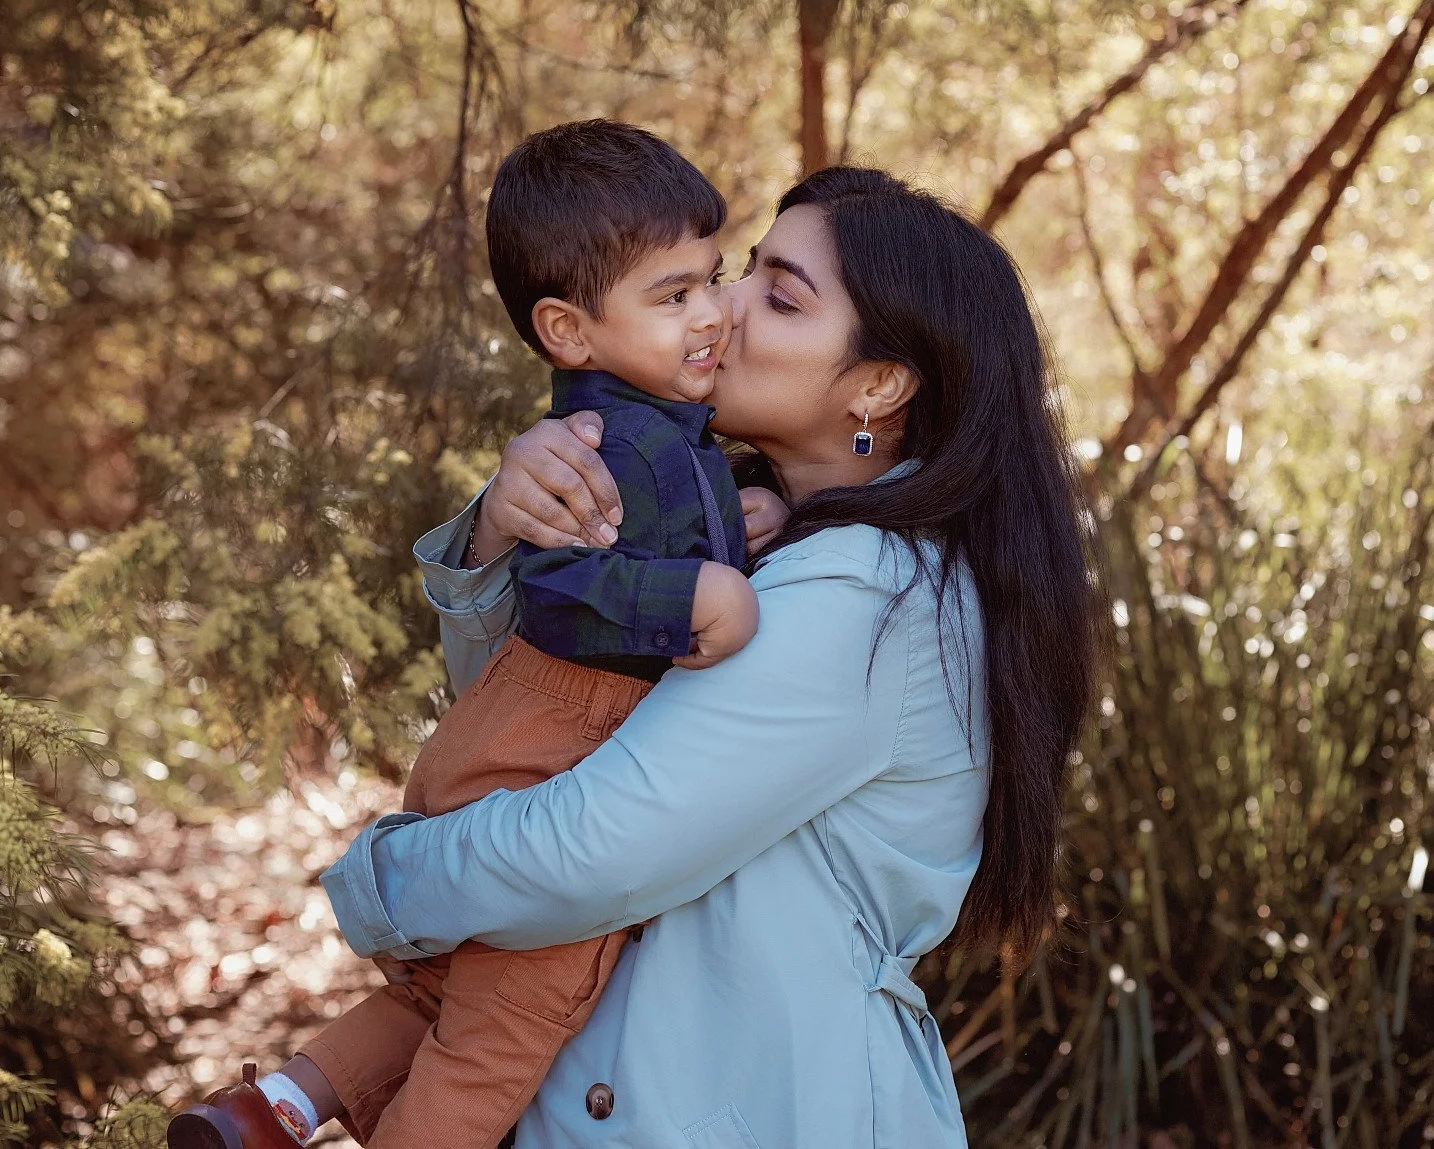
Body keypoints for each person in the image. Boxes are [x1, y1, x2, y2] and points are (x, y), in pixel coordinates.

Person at [319, 167, 1096, 1147]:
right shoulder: (740, 531)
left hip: (758, 1108)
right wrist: (503, 538)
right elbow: (536, 735)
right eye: (737, 274)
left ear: (878, 383)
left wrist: (382, 885)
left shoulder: (868, 596)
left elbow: (591, 847)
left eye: (775, 296)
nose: (718, 311)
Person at [169, 121, 785, 1149]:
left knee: (438, 1003)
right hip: (551, 747)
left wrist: (751, 494)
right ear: (568, 333)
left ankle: (272, 1107)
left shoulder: (663, 428)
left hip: (508, 740)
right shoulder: (602, 443)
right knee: (495, 1043)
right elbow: (560, 577)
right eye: (673, 295)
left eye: (713, 279)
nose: (715, 313)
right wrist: (698, 599)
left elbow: (683, 506)